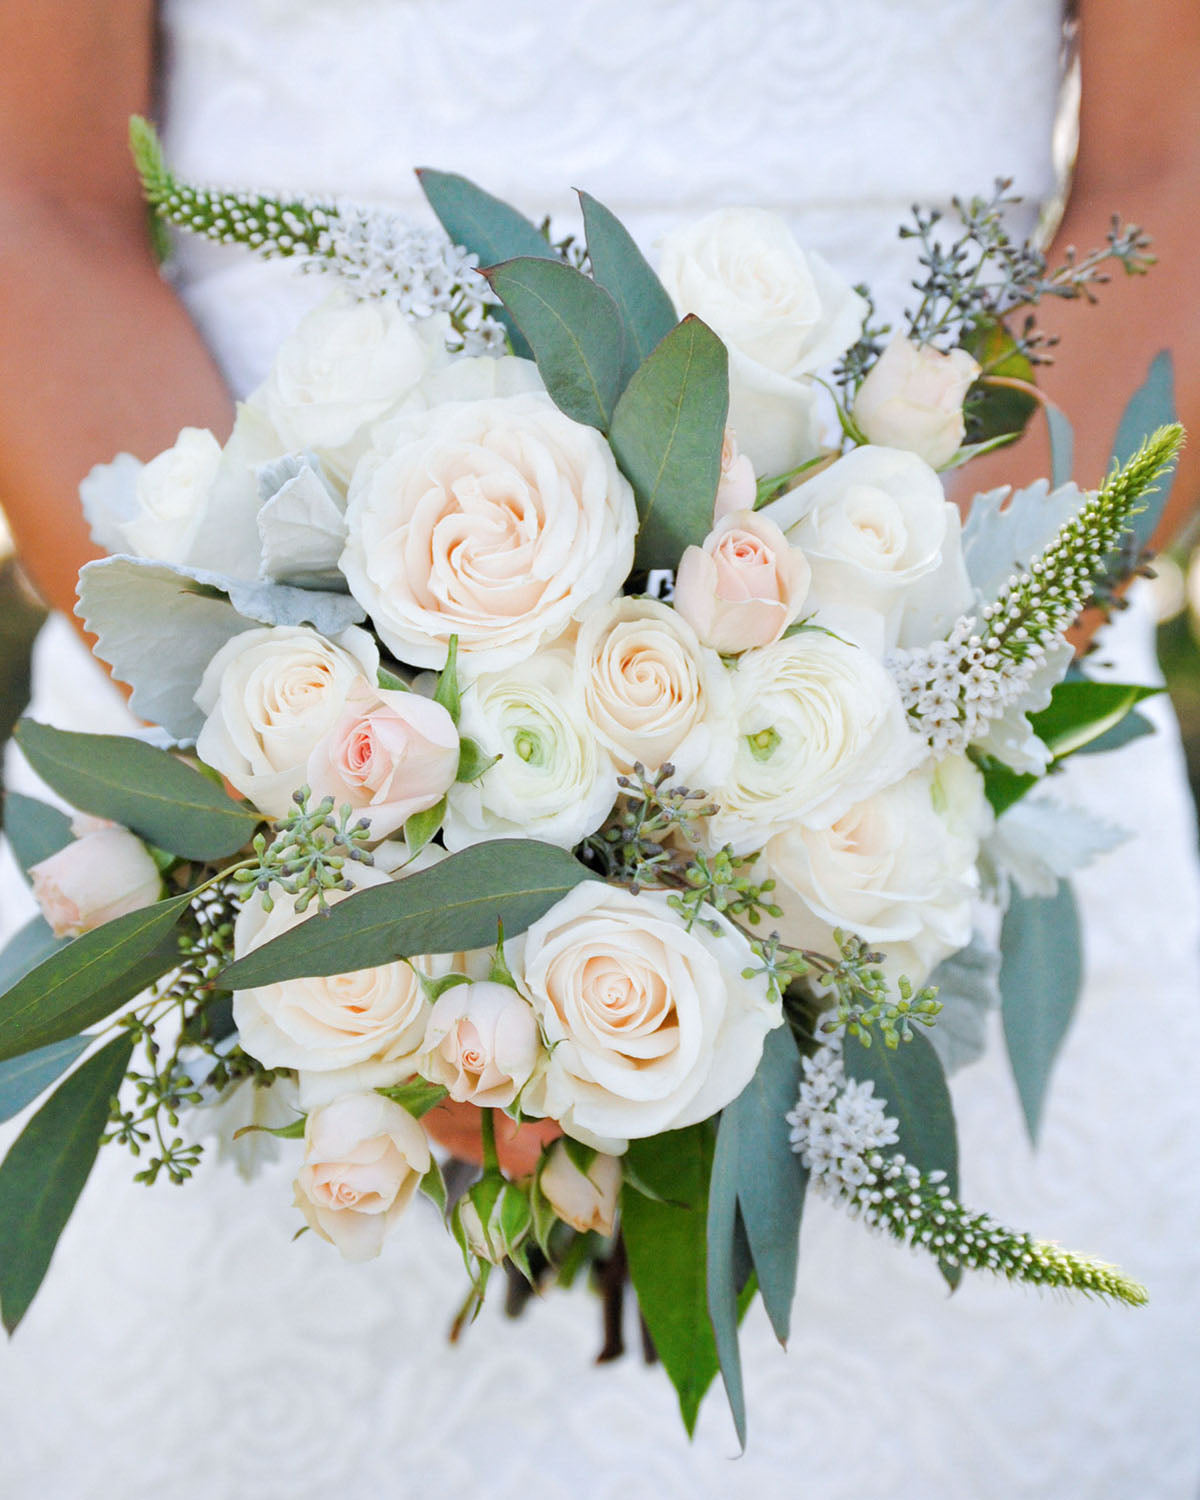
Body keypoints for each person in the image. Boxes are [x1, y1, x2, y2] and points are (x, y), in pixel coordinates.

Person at [1, 2, 1199, 1495]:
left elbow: (1173, 169)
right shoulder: (283, 837)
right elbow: (39, 191)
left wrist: (865, 767)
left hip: (924, 852)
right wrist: (356, 899)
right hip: (245, 817)